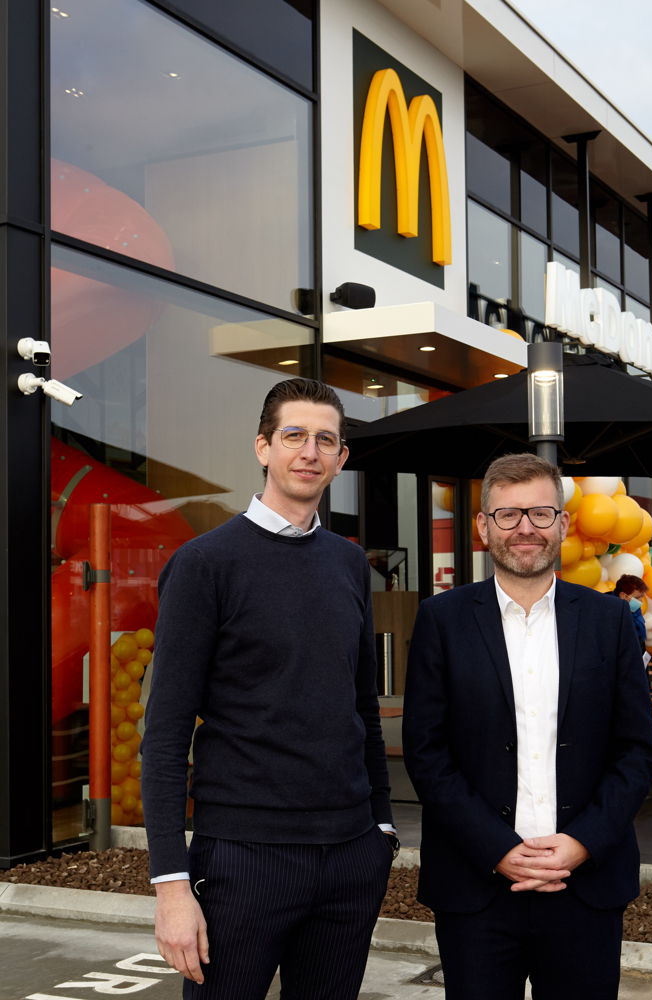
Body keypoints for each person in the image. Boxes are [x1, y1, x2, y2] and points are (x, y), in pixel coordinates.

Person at [141, 378, 396, 1000]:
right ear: (262, 447)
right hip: (243, 859)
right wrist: (172, 887)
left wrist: (382, 829)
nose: (310, 451)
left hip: (349, 857)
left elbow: (362, 704)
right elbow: (168, 733)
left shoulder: (347, 564)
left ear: (341, 459)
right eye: (294, 436)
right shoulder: (205, 564)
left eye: (326, 440)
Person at [402, 453, 652, 1000]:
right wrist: (496, 847)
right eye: (508, 514)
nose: (525, 528)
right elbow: (426, 752)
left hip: (585, 886)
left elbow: (637, 751)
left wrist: (582, 842)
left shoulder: (610, 621)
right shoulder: (441, 620)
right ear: (482, 526)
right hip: (476, 886)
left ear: (563, 524)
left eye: (541, 513)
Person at [611, 573, 648, 650]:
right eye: (637, 597)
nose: (641, 601)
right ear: (623, 595)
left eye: (642, 597)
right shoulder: (609, 613)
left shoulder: (634, 609)